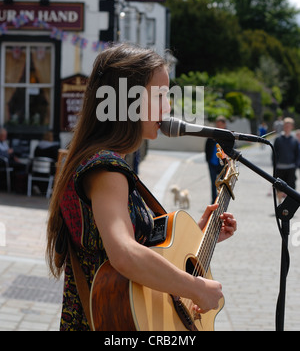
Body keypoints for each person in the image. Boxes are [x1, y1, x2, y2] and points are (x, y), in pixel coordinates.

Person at [46, 44, 237, 331]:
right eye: (160, 96)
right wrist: (195, 287)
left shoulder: (100, 162)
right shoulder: (106, 169)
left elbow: (131, 247)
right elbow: (124, 254)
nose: (168, 107)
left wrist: (198, 234)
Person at [274, 117, 299, 204]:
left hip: (291, 167)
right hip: (280, 167)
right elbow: (274, 153)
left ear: (292, 127)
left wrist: (296, 165)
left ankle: (289, 204)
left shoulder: (295, 140)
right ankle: (279, 203)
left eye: (289, 126)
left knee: (291, 187)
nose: (287, 127)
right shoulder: (278, 139)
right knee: (279, 187)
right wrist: (275, 164)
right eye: (285, 125)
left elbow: (297, 154)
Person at [205, 116, 227, 203]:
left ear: (224, 125)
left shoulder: (227, 135)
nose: (219, 127)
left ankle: (221, 200)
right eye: (217, 125)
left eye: (220, 125)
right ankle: (213, 201)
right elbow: (207, 147)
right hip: (212, 163)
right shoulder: (212, 134)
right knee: (213, 183)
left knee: (222, 182)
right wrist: (208, 160)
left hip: (222, 164)